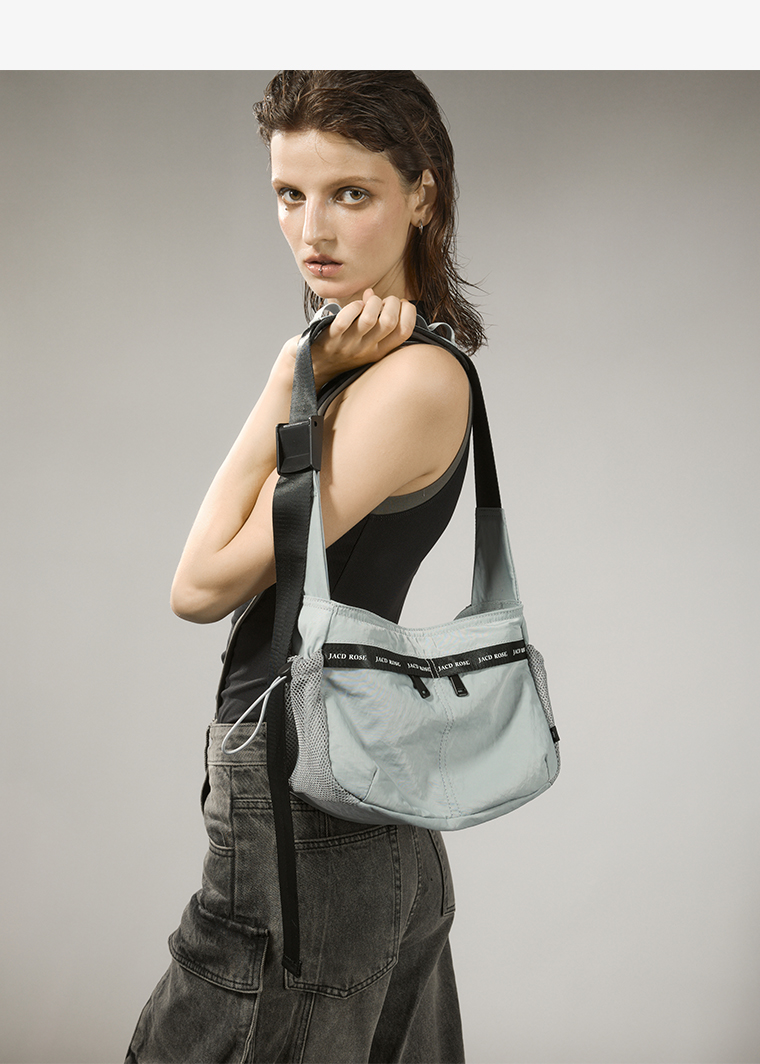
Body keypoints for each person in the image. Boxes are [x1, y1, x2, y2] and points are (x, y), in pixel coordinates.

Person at [126, 70, 486, 1064]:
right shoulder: (361, 370)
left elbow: (200, 583)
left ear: (422, 195)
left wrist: (283, 376)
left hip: (310, 814)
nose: (311, 229)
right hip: (349, 803)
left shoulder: (408, 383)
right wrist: (306, 371)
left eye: (350, 193)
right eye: (290, 194)